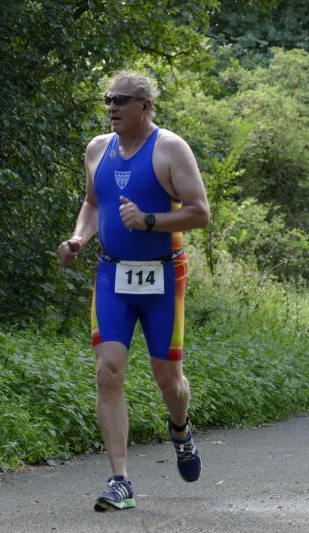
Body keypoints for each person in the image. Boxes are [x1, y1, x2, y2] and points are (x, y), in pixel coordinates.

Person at [57, 72, 210, 511]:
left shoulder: (170, 149)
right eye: (108, 99)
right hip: (112, 276)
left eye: (121, 100)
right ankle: (120, 480)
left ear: (145, 106)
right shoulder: (97, 149)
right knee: (108, 371)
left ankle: (180, 429)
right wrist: (79, 238)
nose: (112, 107)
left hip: (163, 276)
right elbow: (93, 203)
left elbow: (200, 213)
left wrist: (149, 221)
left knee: (169, 380)